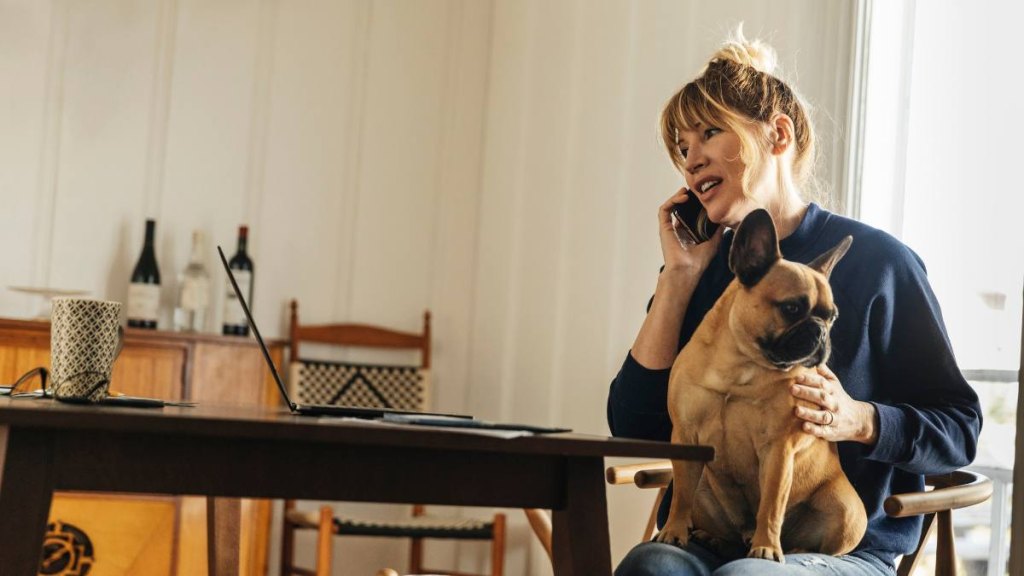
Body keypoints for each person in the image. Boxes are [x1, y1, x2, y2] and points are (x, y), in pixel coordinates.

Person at [608, 28, 982, 576]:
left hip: (842, 547)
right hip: (707, 537)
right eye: (682, 148)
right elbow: (634, 427)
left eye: (710, 134)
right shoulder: (708, 269)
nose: (690, 160)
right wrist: (679, 277)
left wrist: (859, 419)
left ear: (777, 134)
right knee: (651, 568)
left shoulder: (881, 263)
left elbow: (960, 428)